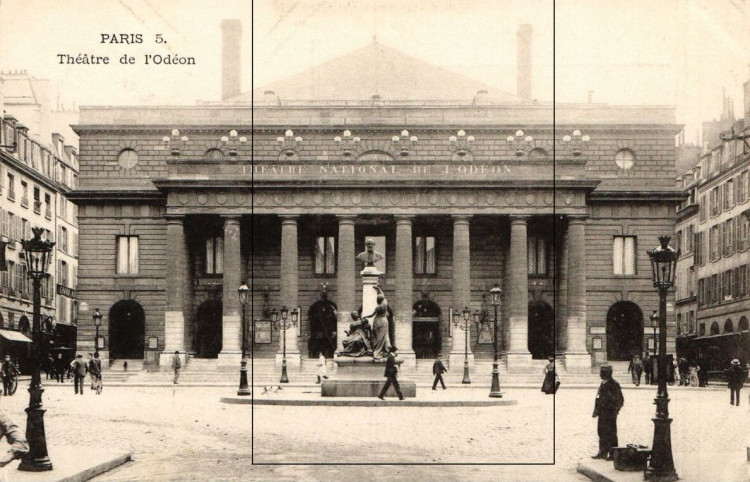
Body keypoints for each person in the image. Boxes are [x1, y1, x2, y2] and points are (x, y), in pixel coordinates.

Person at [591, 365, 624, 461]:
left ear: (607, 373)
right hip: (602, 413)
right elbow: (598, 398)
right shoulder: (603, 383)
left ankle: (613, 453)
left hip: (610, 414)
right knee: (601, 432)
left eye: (602, 372)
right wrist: (596, 410)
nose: (600, 374)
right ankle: (602, 452)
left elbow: (620, 400)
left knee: (611, 433)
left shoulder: (614, 384)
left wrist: (615, 411)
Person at [362, 285, 390, 360]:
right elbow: (383, 295)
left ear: (377, 300)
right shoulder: (385, 303)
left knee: (378, 337)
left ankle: (377, 352)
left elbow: (372, 315)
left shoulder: (378, 307)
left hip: (378, 321)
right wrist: (379, 289)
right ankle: (385, 349)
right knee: (383, 336)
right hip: (384, 321)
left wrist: (365, 317)